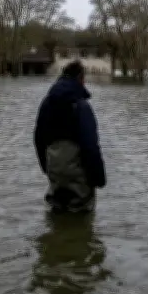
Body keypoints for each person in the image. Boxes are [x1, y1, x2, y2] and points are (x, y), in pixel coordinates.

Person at [33, 60, 106, 213]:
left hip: (55, 172)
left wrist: (46, 168)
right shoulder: (81, 106)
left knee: (57, 212)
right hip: (78, 175)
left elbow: (38, 139)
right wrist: (99, 178)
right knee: (82, 216)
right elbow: (90, 146)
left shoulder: (47, 103)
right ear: (81, 79)